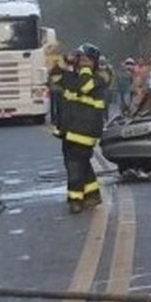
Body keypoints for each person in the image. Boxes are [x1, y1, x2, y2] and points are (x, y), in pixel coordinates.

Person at [56, 43, 107, 213]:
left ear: (93, 61)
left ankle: (75, 200)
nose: (82, 61)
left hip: (83, 132)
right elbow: (55, 77)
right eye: (80, 58)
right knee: (82, 164)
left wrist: (84, 68)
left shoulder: (97, 79)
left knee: (74, 166)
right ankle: (92, 195)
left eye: (85, 58)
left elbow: (83, 87)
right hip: (69, 131)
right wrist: (66, 60)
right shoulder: (74, 76)